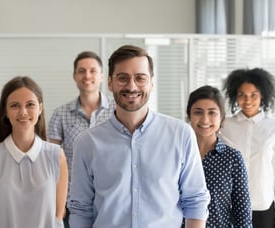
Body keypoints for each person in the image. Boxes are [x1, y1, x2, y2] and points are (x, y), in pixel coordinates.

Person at [68, 45, 210, 228]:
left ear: (151, 82)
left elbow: (195, 201)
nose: (131, 86)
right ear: (110, 83)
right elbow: (81, 209)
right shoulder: (87, 143)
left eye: (140, 78)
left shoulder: (181, 135)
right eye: (122, 78)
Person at [0, 76, 68, 228]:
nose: (23, 112)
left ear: (40, 109)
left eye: (30, 104)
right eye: (15, 106)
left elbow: (58, 216)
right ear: (5, 111)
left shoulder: (56, 155)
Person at [48, 51, 115, 227]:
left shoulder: (117, 111)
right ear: (74, 76)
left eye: (93, 71)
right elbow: (51, 162)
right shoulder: (60, 114)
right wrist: (57, 203)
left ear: (102, 76)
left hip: (110, 199)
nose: (87, 75)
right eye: (82, 71)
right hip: (73, 202)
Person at [219, 68, 275, 228]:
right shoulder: (224, 125)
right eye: (242, 94)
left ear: (262, 95)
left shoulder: (274, 127)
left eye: (253, 95)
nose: (247, 100)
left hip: (263, 208)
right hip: (230, 206)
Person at [186, 85, 252, 227]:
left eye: (212, 113)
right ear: (189, 115)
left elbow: (243, 214)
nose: (205, 120)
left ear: (221, 117)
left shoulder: (233, 158)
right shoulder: (178, 155)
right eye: (198, 112)